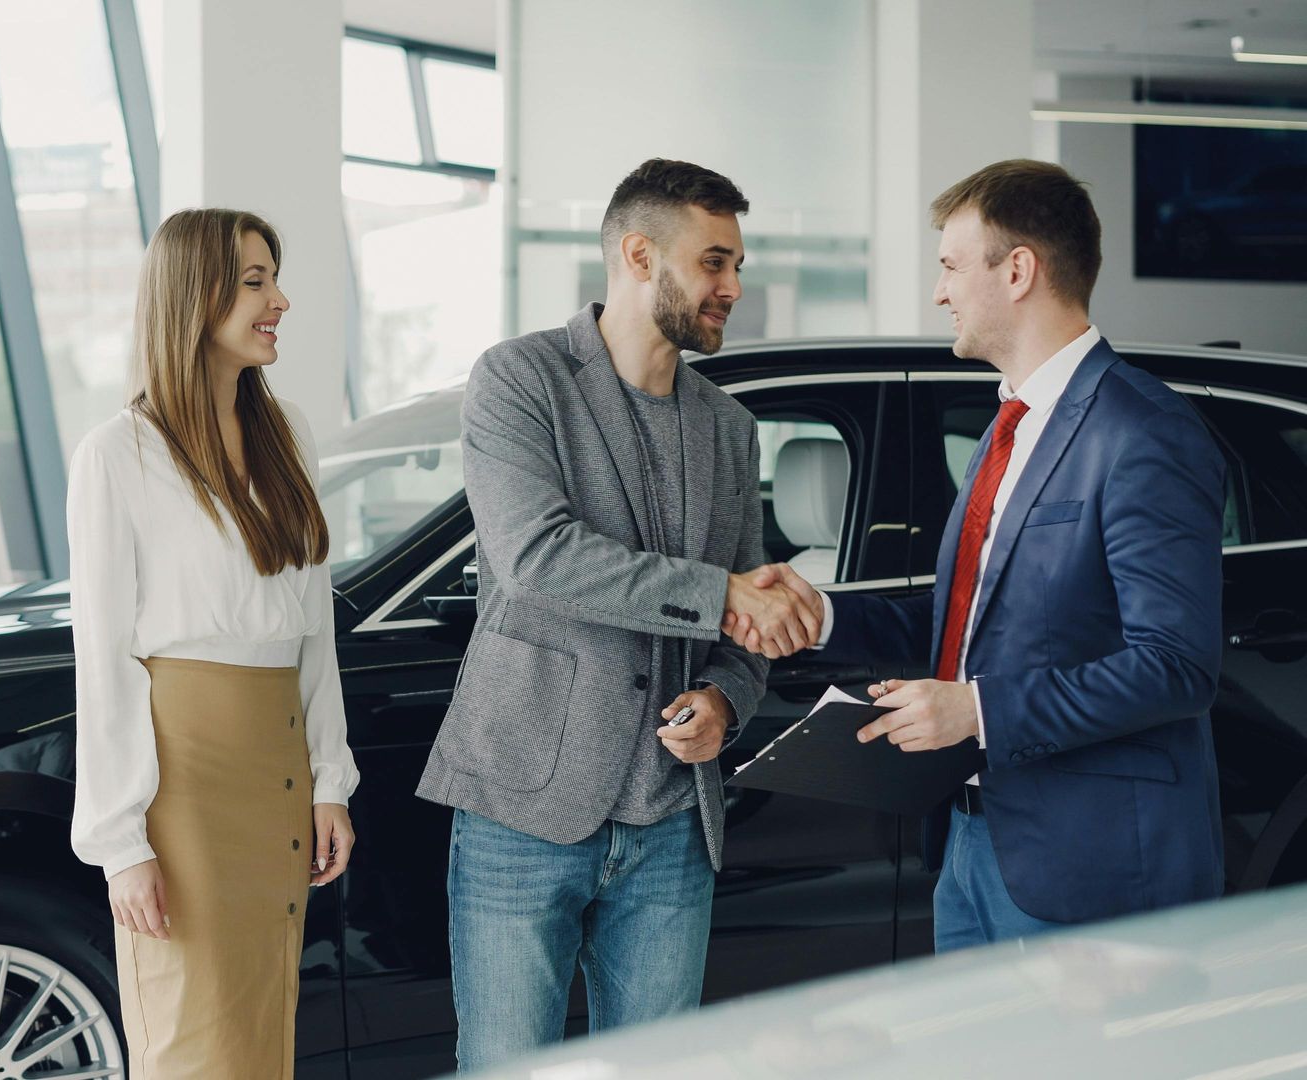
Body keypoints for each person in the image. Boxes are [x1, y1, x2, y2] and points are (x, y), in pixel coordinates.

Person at [734, 160, 1227, 950]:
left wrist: (978, 710)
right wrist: (821, 616)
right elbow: (959, 628)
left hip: (1087, 868)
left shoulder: (1143, 432)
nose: (940, 292)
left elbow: (1175, 665)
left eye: (952, 267)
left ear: (1019, 270)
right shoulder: (1005, 431)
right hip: (969, 844)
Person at [416, 158, 815, 1070]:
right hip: (524, 803)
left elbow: (745, 621)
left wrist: (725, 698)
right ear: (640, 255)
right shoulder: (521, 380)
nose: (734, 288)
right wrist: (721, 596)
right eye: (715, 263)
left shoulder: (728, 426)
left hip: (674, 821)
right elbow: (537, 557)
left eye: (736, 266)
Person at [66, 207, 360, 1077]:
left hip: (277, 779)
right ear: (194, 296)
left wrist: (330, 781)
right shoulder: (117, 455)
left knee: (263, 1032)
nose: (281, 301)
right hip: (184, 792)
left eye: (275, 277)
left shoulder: (288, 435)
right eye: (256, 281)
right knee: (193, 1039)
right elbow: (105, 659)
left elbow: (315, 631)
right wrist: (123, 847)